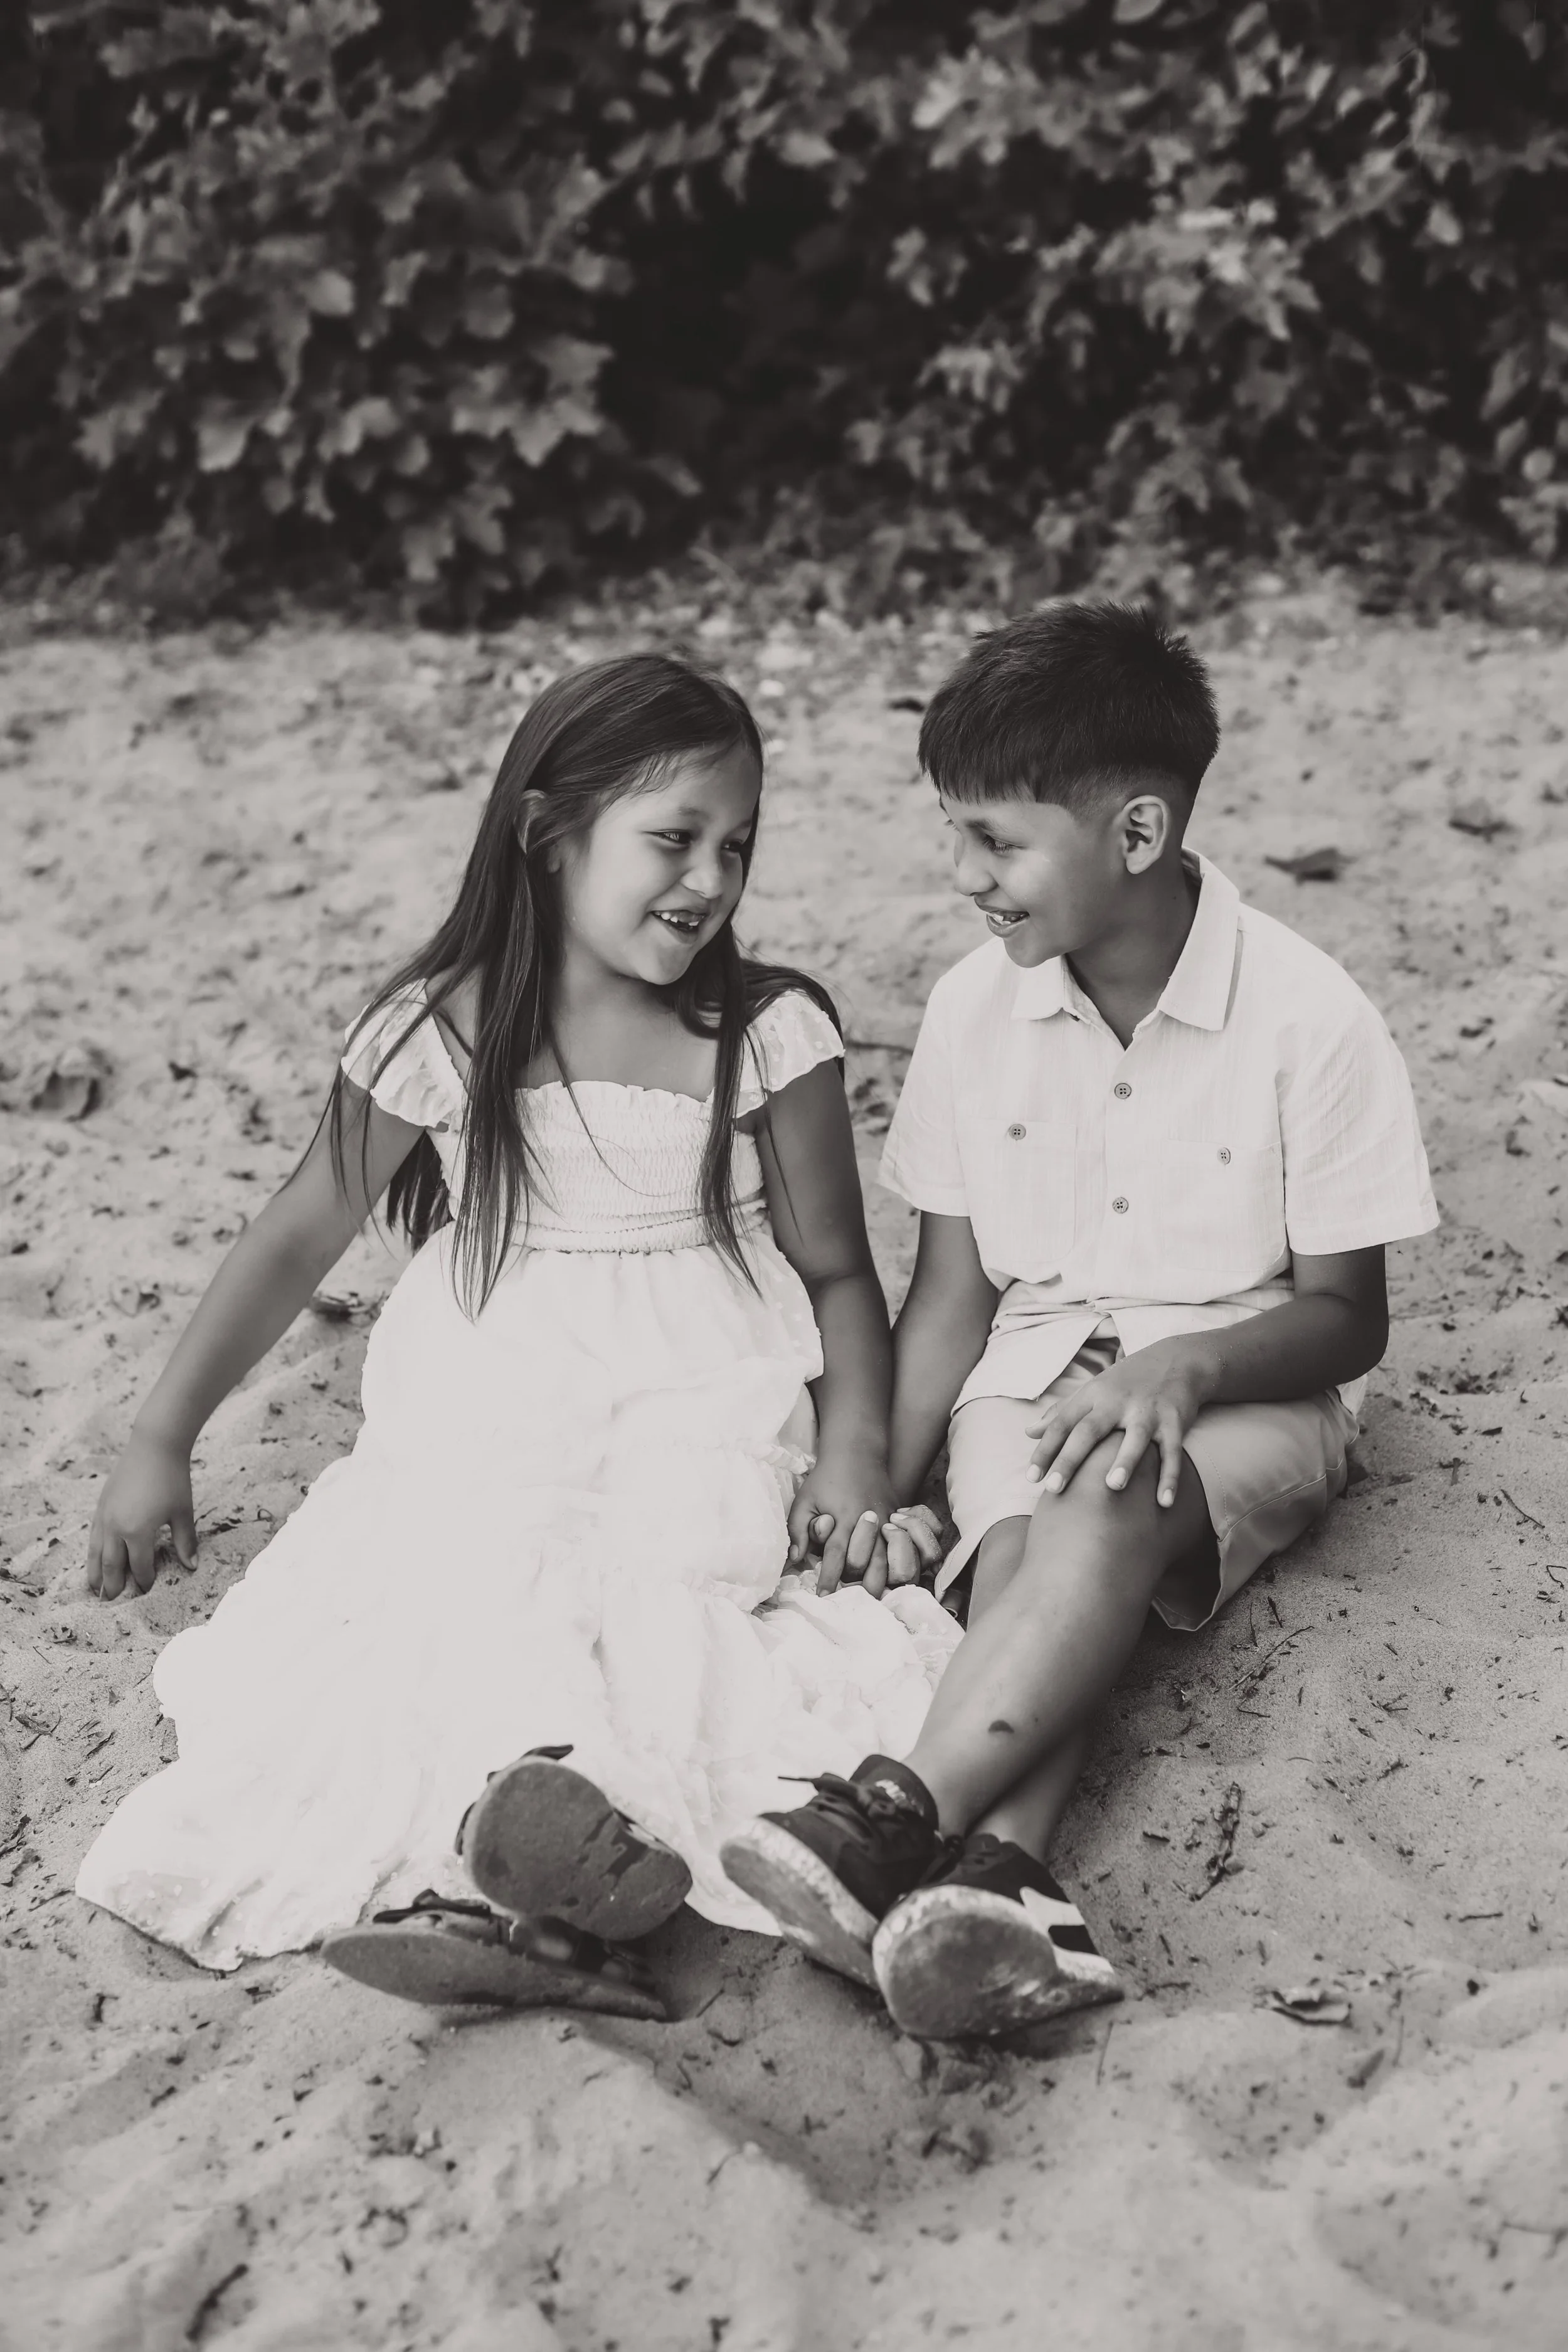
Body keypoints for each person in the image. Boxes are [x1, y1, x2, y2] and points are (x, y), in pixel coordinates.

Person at [75, 652, 957, 2018]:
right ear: (549, 834)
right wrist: (159, 1437)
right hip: (498, 1377)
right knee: (478, 1576)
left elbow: (839, 1273)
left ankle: (553, 1866)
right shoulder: (445, 1025)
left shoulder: (764, 1033)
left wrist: (855, 1459)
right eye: (673, 839)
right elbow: (296, 1235)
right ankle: (529, 1852)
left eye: (736, 844)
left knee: (668, 1584)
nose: (711, 878)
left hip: (700, 1386)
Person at [721, 601, 1437, 2039]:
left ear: (1135, 834)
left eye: (994, 841)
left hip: (1252, 1390)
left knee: (1106, 1492)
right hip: (1029, 1378)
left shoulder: (1306, 1017)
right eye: (951, 833)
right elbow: (951, 1296)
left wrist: (1183, 1365)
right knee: (1019, 1561)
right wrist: (880, 1475)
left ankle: (891, 1812)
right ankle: (1003, 1886)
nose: (962, 876)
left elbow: (1345, 1321)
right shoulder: (971, 1012)